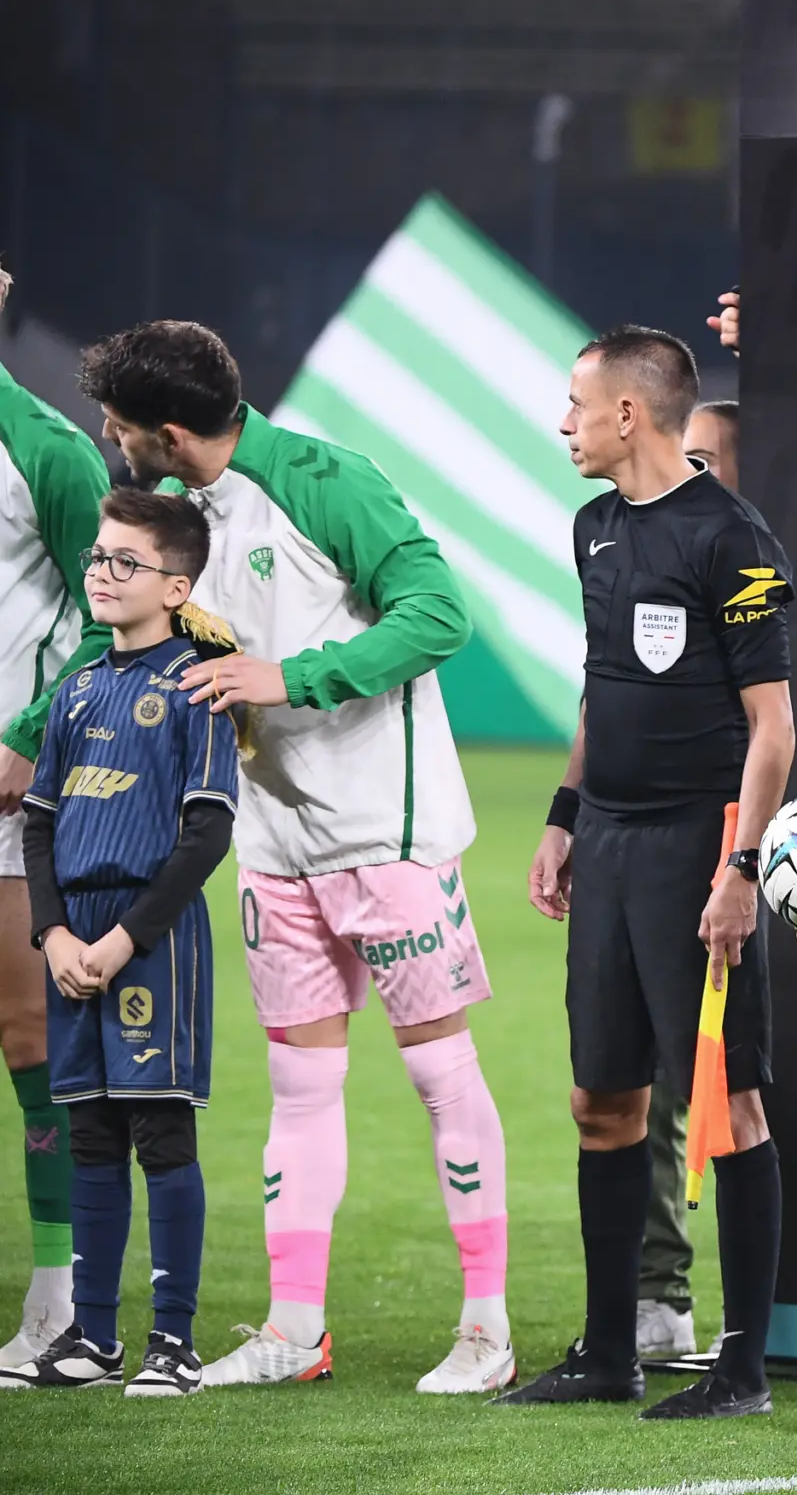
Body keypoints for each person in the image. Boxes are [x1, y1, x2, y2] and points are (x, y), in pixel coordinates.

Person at [79, 320, 511, 1394]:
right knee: (300, 1083)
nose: (108, 435)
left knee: (434, 1068)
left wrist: (292, 677)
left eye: (120, 424)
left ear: (168, 433)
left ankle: (487, 1329)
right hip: (273, 843)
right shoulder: (174, 522)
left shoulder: (323, 480)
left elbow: (439, 611)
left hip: (384, 830)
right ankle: (295, 1329)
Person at [513, 325, 793, 1420]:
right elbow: (604, 683)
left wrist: (741, 868)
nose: (565, 423)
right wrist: (563, 816)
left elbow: (773, 727)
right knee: (601, 1101)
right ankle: (610, 1350)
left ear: (629, 413)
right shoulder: (592, 529)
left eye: (576, 404)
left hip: (696, 846)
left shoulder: (732, 537)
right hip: (614, 843)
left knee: (732, 1110)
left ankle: (744, 1368)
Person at [0, 491, 236, 1397]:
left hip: (153, 940)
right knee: (91, 1135)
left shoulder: (199, 684)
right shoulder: (80, 685)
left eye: (124, 562)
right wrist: (54, 933)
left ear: (176, 585)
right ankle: (92, 1341)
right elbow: (39, 822)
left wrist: (122, 938)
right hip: (73, 946)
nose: (103, 573)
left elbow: (206, 833)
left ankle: (171, 1345)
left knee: (160, 1132)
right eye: (99, 558)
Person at [0, 265, 113, 1371]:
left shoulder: (48, 449)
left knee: (30, 1034)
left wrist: (28, 734)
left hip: (6, 794)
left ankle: (59, 1291)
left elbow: (106, 615)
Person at [628, 394, 742, 1365]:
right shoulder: (641, 558)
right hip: (670, 853)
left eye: (710, 460)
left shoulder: (765, 574)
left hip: (775, 854)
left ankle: (781, 1304)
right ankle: (660, 1297)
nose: (689, 475)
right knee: (665, 1081)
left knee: (748, 1087)